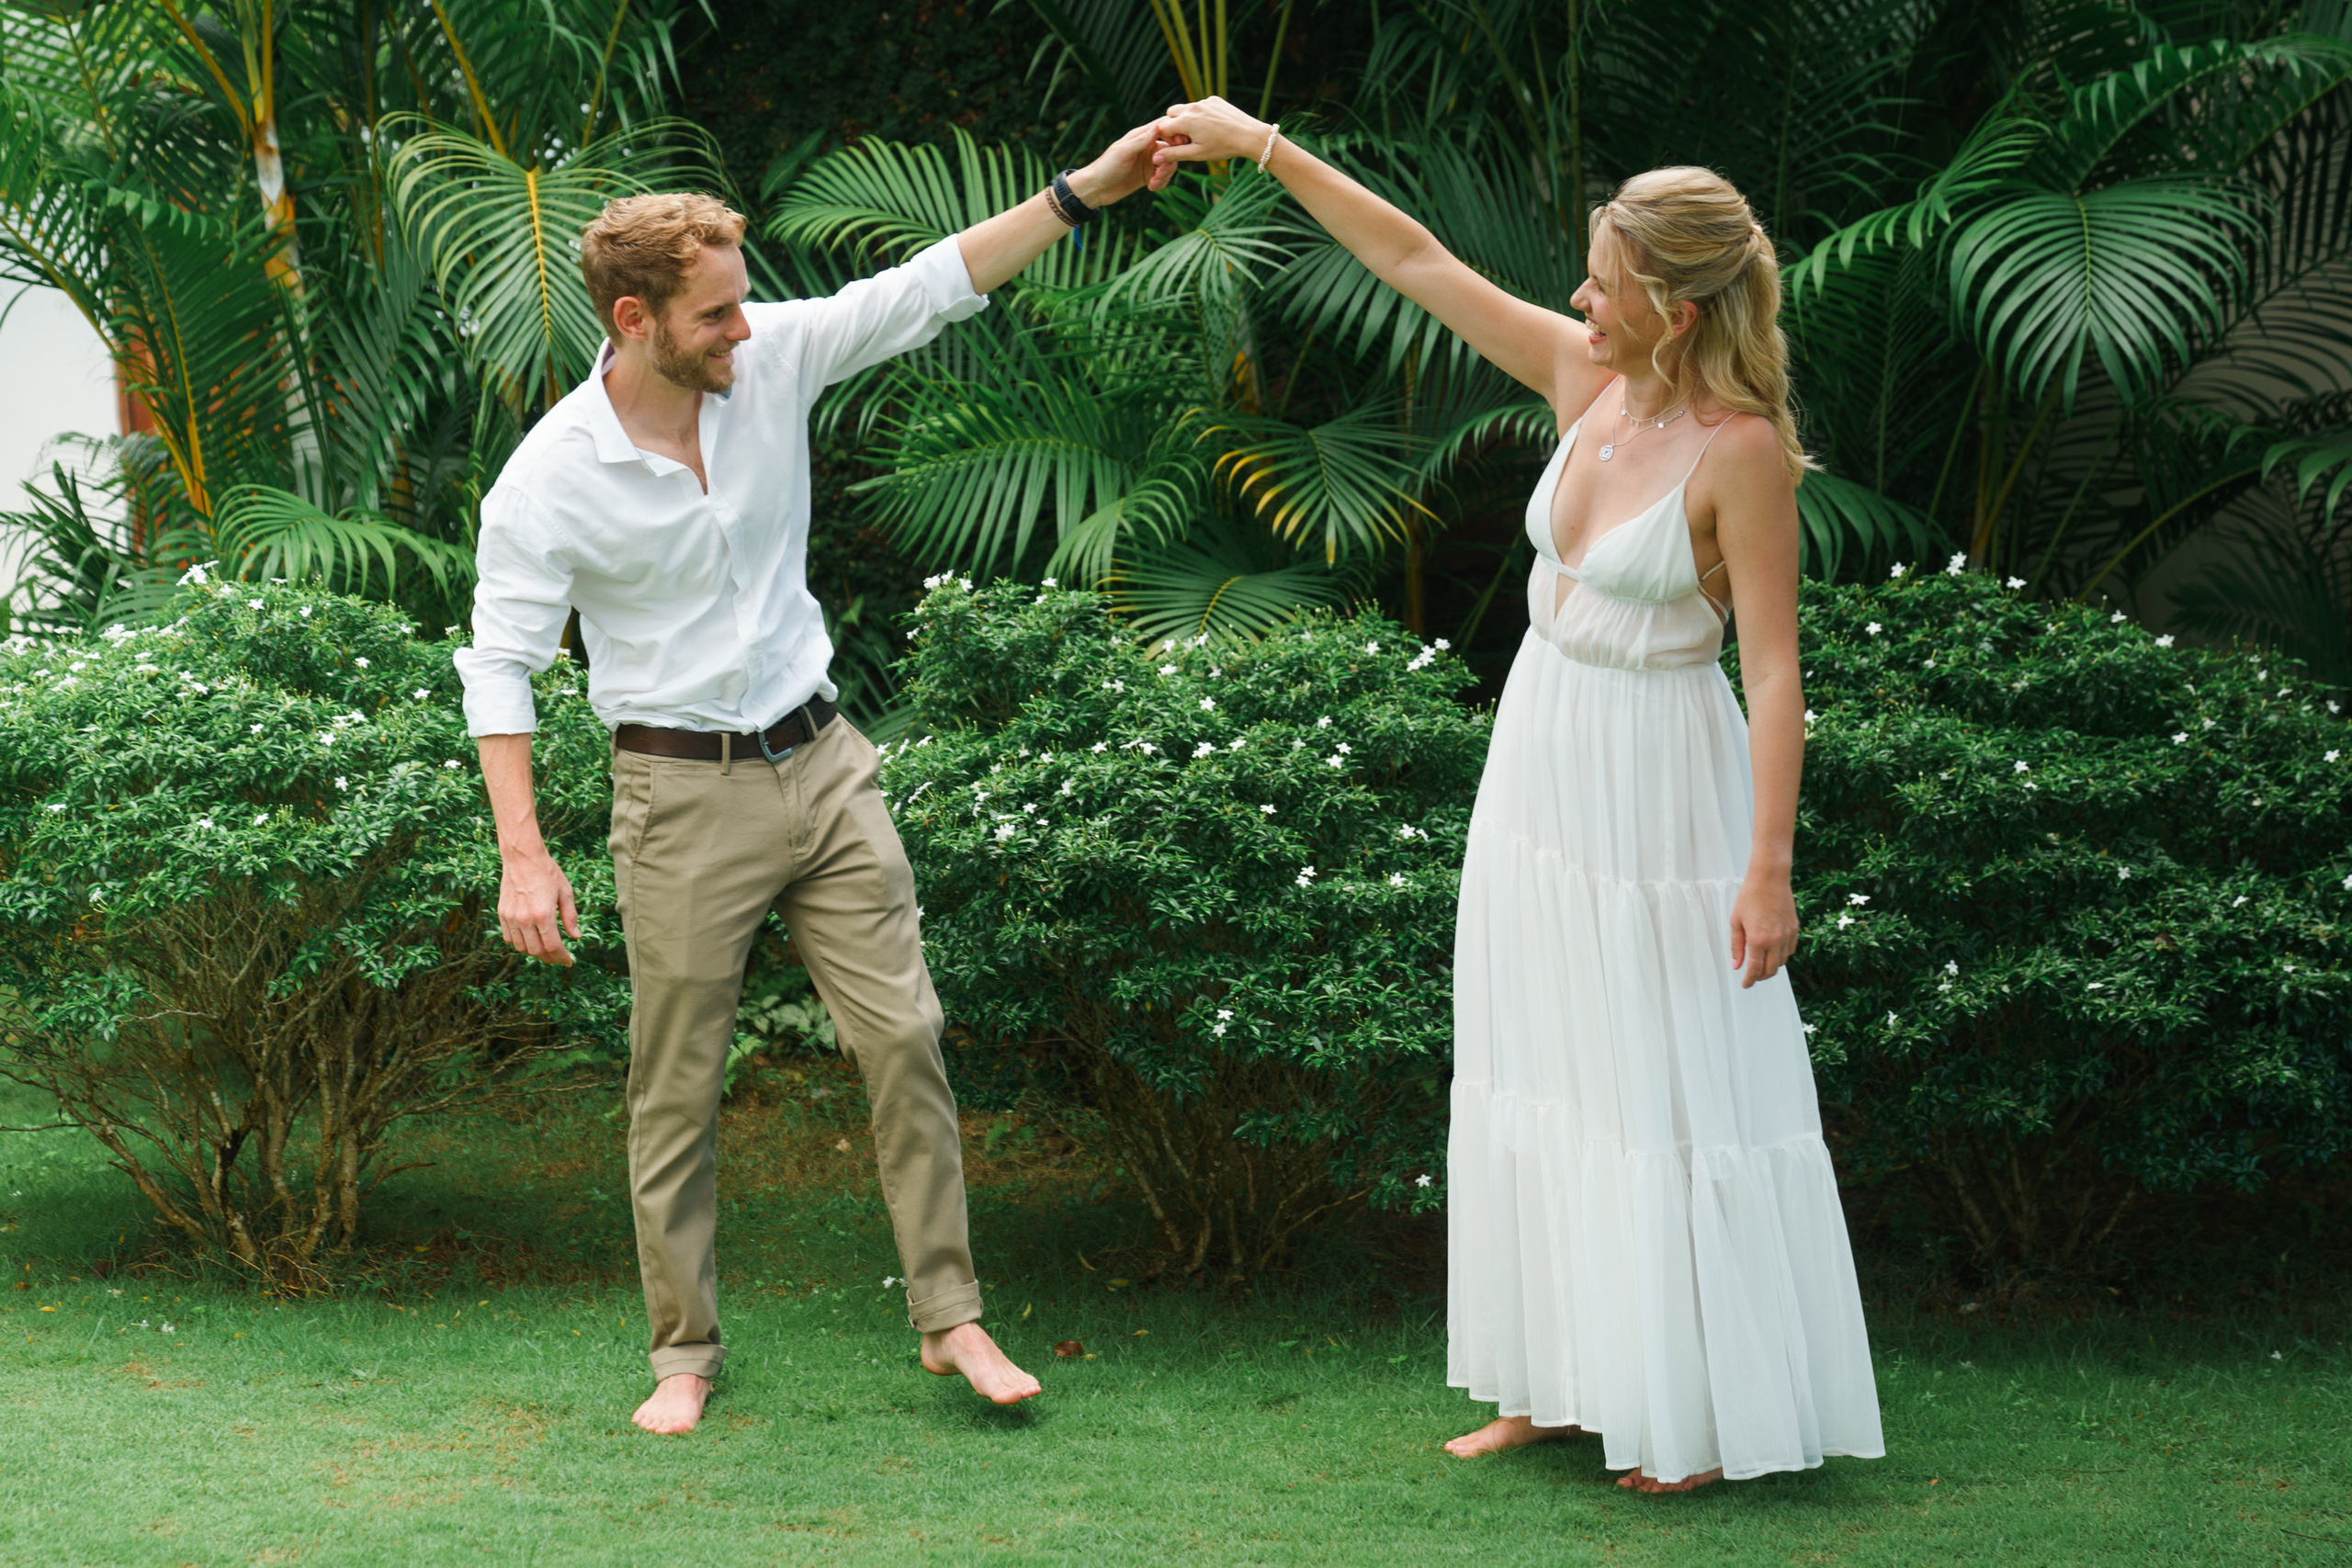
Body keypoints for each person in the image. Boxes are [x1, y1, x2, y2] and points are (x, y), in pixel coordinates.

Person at [1152, 104, 1884, 1492]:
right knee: (1537, 1064)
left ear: (1673, 305)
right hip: (1540, 768)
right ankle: (1554, 1380)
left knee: (1662, 1087)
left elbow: (1780, 674)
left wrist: (1768, 866)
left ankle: (1699, 1416)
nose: (1576, 299)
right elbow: (1418, 261)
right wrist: (1266, 148)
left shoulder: (1742, 453)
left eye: (1602, 281)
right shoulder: (1582, 382)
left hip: (1663, 790)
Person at [456, 123, 1171, 1436]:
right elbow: (499, 667)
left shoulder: (770, 355)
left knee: (903, 1034)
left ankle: (951, 1320)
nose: (744, 328)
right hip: (677, 795)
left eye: (743, 303)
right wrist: (524, 851)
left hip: (826, 763)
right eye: (716, 312)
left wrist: (1083, 191)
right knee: (676, 1080)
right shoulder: (549, 480)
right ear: (636, 319)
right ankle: (685, 1355)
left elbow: (925, 289)